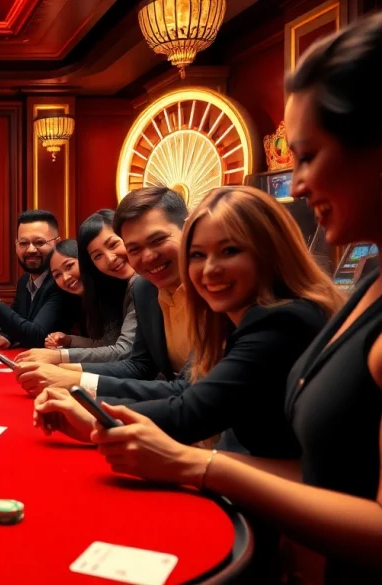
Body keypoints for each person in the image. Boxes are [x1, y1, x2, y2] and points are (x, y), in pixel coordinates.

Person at [83, 15, 382, 581]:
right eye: (198, 255)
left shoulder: (284, 320)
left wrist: (199, 465)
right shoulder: (367, 288)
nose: (297, 184)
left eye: (309, 155)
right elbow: (317, 472)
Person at [33, 186, 342, 461]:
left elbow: (193, 409)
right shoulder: (189, 297)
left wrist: (93, 412)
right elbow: (156, 375)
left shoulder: (279, 318)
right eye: (197, 255)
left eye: (229, 251)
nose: (209, 269)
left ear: (270, 250)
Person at [16, 188, 190, 400]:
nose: (148, 256)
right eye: (134, 248)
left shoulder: (208, 290)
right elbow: (140, 364)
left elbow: (125, 353)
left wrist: (67, 369)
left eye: (158, 240)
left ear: (189, 229)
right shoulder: (143, 288)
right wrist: (67, 372)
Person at [17, 209, 137, 365]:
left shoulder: (134, 284)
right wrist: (69, 340)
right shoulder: (91, 298)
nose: (110, 258)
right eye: (57, 275)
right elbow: (105, 343)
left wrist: (60, 355)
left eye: (69, 266)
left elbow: (122, 351)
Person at [0, 209, 79, 349]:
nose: (30, 250)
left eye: (39, 242)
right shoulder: (24, 281)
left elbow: (38, 336)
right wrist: (7, 338)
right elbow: (20, 321)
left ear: (57, 243)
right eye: (23, 243)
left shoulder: (62, 283)